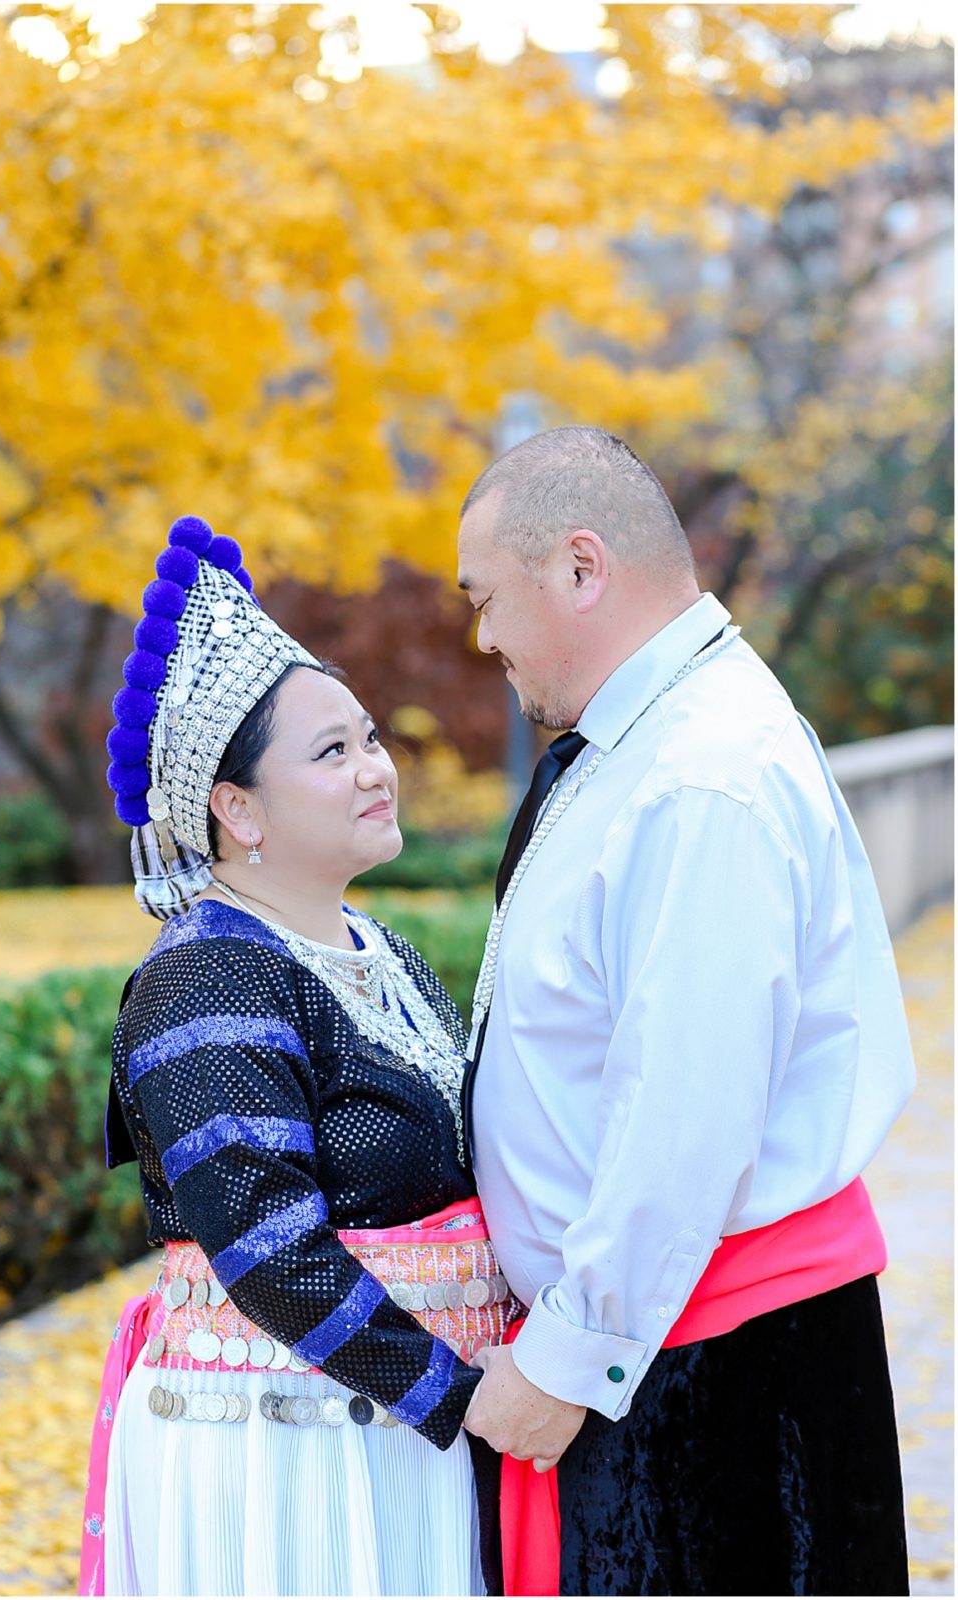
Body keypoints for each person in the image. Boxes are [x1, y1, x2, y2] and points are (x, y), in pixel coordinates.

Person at [456, 426, 915, 1597]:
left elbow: (688, 1107)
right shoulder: (647, 746)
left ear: (578, 567)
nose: (482, 636)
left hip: (710, 1367)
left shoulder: (703, 771)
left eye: (487, 597)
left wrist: (567, 1359)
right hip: (668, 1346)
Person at [79, 515, 513, 1598]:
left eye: (369, 738)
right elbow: (268, 1241)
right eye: (332, 752)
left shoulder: (379, 946)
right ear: (236, 809)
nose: (377, 770)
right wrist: (462, 1398)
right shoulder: (207, 977)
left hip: (402, 1432)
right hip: (284, 1452)